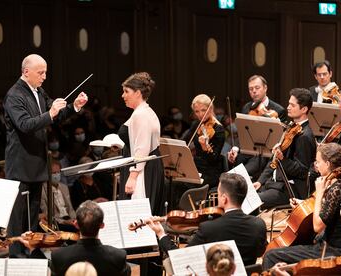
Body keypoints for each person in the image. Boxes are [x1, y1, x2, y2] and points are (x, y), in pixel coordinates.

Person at [4, 54, 88, 257]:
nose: (44, 77)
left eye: (45, 73)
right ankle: (17, 256)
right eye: (40, 73)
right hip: (21, 165)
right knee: (18, 218)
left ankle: (31, 252)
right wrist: (50, 113)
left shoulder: (38, 91)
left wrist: (74, 106)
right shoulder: (14, 95)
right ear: (26, 72)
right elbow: (25, 125)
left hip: (37, 163)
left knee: (32, 216)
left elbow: (54, 115)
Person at [263, 143, 341, 270]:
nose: (316, 165)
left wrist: (319, 193)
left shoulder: (337, 189)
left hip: (333, 250)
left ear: (328, 164)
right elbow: (327, 210)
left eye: (318, 161)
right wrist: (303, 203)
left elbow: (317, 226)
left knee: (271, 255)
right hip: (337, 245)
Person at [148, 173, 267, 265]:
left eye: (219, 194)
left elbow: (180, 257)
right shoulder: (259, 224)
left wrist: (161, 234)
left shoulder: (209, 228)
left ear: (224, 199)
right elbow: (260, 252)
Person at [19, 200, 131, 276]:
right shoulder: (118, 256)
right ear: (102, 225)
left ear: (76, 224)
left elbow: (48, 270)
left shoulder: (60, 256)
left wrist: (33, 249)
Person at [253, 88, 316, 208]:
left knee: (251, 202)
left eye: (292, 105)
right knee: (245, 195)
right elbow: (273, 161)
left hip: (289, 189)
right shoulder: (291, 127)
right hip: (274, 183)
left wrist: (282, 159)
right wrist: (260, 181)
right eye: (288, 104)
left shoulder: (305, 136)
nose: (288, 107)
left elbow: (302, 170)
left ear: (304, 109)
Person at [117, 72, 164, 214]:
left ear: (138, 93)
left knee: (138, 214)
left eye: (126, 91)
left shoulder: (140, 114)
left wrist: (132, 177)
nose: (123, 95)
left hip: (142, 169)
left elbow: (142, 148)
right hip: (147, 165)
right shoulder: (145, 111)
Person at [228, 75, 287, 180]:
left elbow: (279, 138)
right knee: (232, 163)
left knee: (240, 175)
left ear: (265, 88)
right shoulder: (246, 107)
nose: (254, 91)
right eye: (251, 89)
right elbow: (242, 133)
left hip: (266, 153)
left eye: (257, 88)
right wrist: (235, 149)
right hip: (248, 151)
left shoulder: (278, 110)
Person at [183, 94, 225, 189]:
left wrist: (205, 147)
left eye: (203, 110)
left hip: (211, 172)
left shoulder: (218, 129)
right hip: (196, 168)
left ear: (210, 109)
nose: (200, 114)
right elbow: (183, 141)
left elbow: (213, 159)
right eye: (197, 111)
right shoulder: (196, 124)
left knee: (184, 186)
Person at [39, 160, 77, 232]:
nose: (56, 175)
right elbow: (47, 214)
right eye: (54, 173)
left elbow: (70, 208)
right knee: (74, 229)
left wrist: (75, 220)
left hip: (69, 219)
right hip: (57, 221)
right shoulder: (42, 190)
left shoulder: (64, 187)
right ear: (47, 174)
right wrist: (64, 222)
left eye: (58, 172)